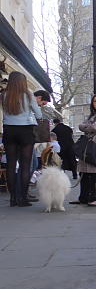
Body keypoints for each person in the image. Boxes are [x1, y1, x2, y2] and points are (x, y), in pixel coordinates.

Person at [0, 71, 42, 206]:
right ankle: (22, 198)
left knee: (11, 166)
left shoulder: (3, 94)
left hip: (8, 130)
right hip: (25, 131)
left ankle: (13, 198)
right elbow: (38, 112)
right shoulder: (28, 93)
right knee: (25, 166)